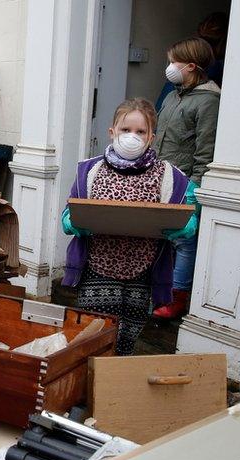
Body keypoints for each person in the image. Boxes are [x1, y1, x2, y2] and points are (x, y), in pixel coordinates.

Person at [61, 99, 197, 355]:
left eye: (140, 131)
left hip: (142, 272)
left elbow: (189, 211)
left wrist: (184, 226)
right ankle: (88, 385)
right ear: (112, 132)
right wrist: (75, 222)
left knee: (128, 337)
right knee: (94, 335)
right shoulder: (90, 170)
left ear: (151, 137)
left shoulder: (169, 175)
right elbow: (69, 213)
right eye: (126, 130)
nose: (132, 137)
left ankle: (116, 385)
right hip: (98, 267)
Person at [151, 37, 220, 320]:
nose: (169, 67)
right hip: (159, 178)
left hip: (184, 183)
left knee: (184, 241)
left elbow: (207, 149)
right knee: (159, 237)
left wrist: (195, 187)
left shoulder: (208, 102)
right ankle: (158, 291)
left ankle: (177, 297)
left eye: (173, 62)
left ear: (191, 66)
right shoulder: (172, 95)